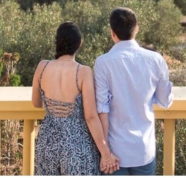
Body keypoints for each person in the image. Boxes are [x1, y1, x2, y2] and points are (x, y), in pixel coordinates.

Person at [32, 21, 120, 175]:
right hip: (76, 145)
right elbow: (91, 117)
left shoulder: (42, 66)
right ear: (79, 43)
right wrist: (106, 154)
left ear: (57, 42)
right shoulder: (83, 72)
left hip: (47, 143)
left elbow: (36, 103)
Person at [94, 7, 174, 175]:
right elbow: (165, 100)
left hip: (114, 152)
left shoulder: (103, 63)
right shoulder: (156, 60)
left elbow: (102, 108)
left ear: (112, 33)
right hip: (143, 149)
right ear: (136, 28)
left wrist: (105, 152)